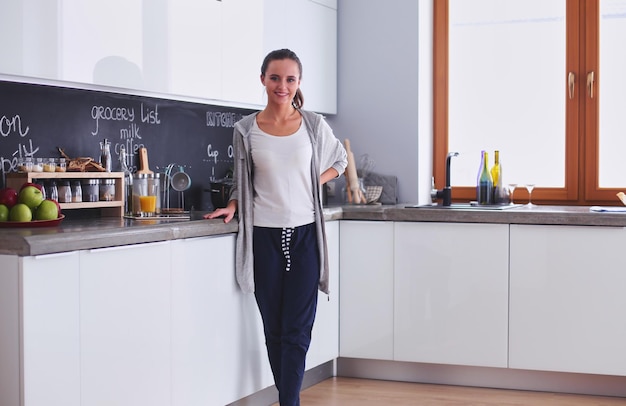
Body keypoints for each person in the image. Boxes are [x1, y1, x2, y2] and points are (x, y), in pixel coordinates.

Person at [204, 48, 347, 405]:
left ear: (298, 83)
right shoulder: (246, 130)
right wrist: (234, 204)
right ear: (263, 79)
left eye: (290, 79)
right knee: (274, 329)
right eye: (275, 78)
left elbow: (340, 161)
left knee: (297, 330)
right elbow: (242, 179)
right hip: (263, 237)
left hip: (304, 236)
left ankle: (289, 403)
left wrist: (315, 179)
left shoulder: (313, 125)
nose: (282, 86)